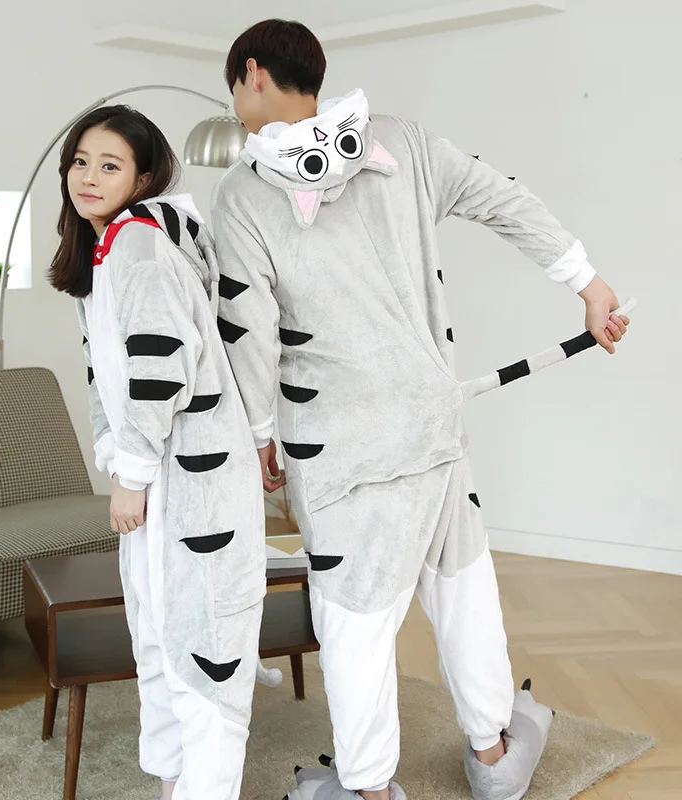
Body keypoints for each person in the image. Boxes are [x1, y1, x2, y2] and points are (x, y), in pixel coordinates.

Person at [210, 20, 630, 800]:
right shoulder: (399, 142)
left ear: (254, 73)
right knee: (463, 588)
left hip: (339, 449)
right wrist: (588, 282)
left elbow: (247, 329)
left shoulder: (242, 194)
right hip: (433, 424)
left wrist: (259, 433)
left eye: (233, 87)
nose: (235, 105)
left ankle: (370, 788)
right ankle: (495, 755)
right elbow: (503, 198)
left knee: (356, 619)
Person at [48, 104, 267, 800]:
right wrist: (116, 454)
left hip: (192, 476)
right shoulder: (107, 249)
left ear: (142, 179)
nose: (88, 176)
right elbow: (102, 375)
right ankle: (176, 783)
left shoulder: (139, 245)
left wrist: (132, 475)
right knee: (157, 637)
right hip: (161, 473)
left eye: (109, 166)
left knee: (199, 650)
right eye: (81, 162)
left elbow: (160, 367)